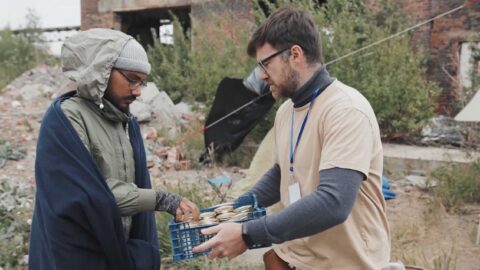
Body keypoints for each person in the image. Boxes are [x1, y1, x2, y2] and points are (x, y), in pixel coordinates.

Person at [193, 5, 390, 269]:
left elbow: (334, 203)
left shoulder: (346, 110)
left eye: (266, 63)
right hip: (294, 258)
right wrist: (236, 210)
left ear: (295, 54)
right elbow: (280, 175)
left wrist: (247, 234)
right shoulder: (287, 111)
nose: (262, 75)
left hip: (344, 263)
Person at [29, 28, 199, 270]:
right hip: (75, 253)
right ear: (102, 70)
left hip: (115, 246)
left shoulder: (123, 121)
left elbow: (130, 182)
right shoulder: (65, 119)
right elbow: (87, 194)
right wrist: (160, 199)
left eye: (142, 82)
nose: (138, 91)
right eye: (131, 79)